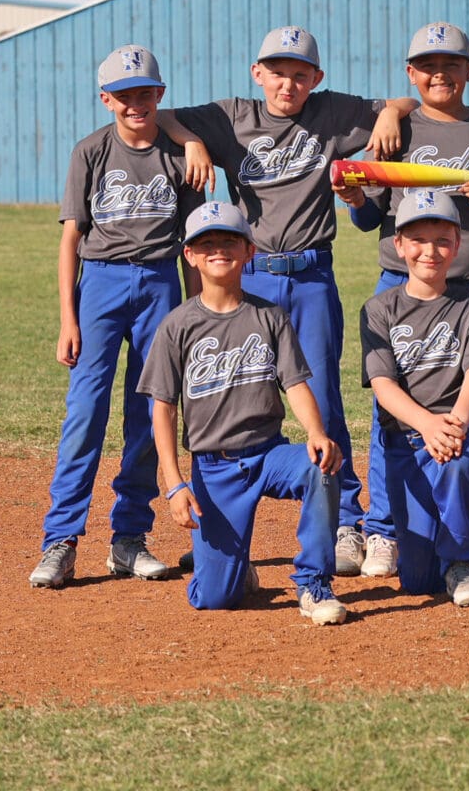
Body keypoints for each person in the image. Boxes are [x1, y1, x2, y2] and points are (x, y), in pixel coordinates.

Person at [155, 26, 416, 579]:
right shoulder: (233, 117)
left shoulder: (330, 113)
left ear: (315, 79)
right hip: (250, 280)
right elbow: (161, 114)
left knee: (320, 397)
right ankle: (220, 524)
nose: (288, 83)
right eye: (277, 71)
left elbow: (406, 100)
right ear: (258, 73)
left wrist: (391, 113)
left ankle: (346, 519)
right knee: (229, 400)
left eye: (300, 74)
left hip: (312, 275)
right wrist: (194, 143)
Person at [342, 23, 469, 579]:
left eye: (452, 64)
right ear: (411, 73)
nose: (439, 73)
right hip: (401, 288)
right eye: (428, 64)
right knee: (393, 411)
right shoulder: (398, 128)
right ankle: (383, 529)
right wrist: (358, 195)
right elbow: (366, 218)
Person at [31, 45, 203, 589]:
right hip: (100, 282)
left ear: (161, 94)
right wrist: (68, 316)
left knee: (151, 413)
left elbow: (194, 246)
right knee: (85, 412)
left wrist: (196, 315)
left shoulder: (179, 157)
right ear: (106, 99)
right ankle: (60, 540)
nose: (135, 103)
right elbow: (70, 239)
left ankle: (129, 538)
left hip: (159, 281)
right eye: (124, 94)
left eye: (145, 92)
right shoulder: (91, 151)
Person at [139, 202, 348, 624]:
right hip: (215, 469)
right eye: (206, 243)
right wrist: (175, 485)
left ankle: (312, 583)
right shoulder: (177, 326)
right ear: (190, 256)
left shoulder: (268, 316)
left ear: (250, 251)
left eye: (230, 241)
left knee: (320, 465)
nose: (218, 250)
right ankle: (234, 571)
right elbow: (162, 410)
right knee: (215, 597)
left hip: (269, 454)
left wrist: (315, 432)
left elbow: (295, 384)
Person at [359, 189, 469, 607]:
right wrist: (427, 425)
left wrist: (453, 423)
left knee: (456, 465)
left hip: (462, 430)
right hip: (408, 439)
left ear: (457, 245)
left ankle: (464, 560)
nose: (430, 251)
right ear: (398, 245)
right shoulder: (379, 309)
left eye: (442, 240)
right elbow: (383, 386)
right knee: (418, 581)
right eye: (418, 240)